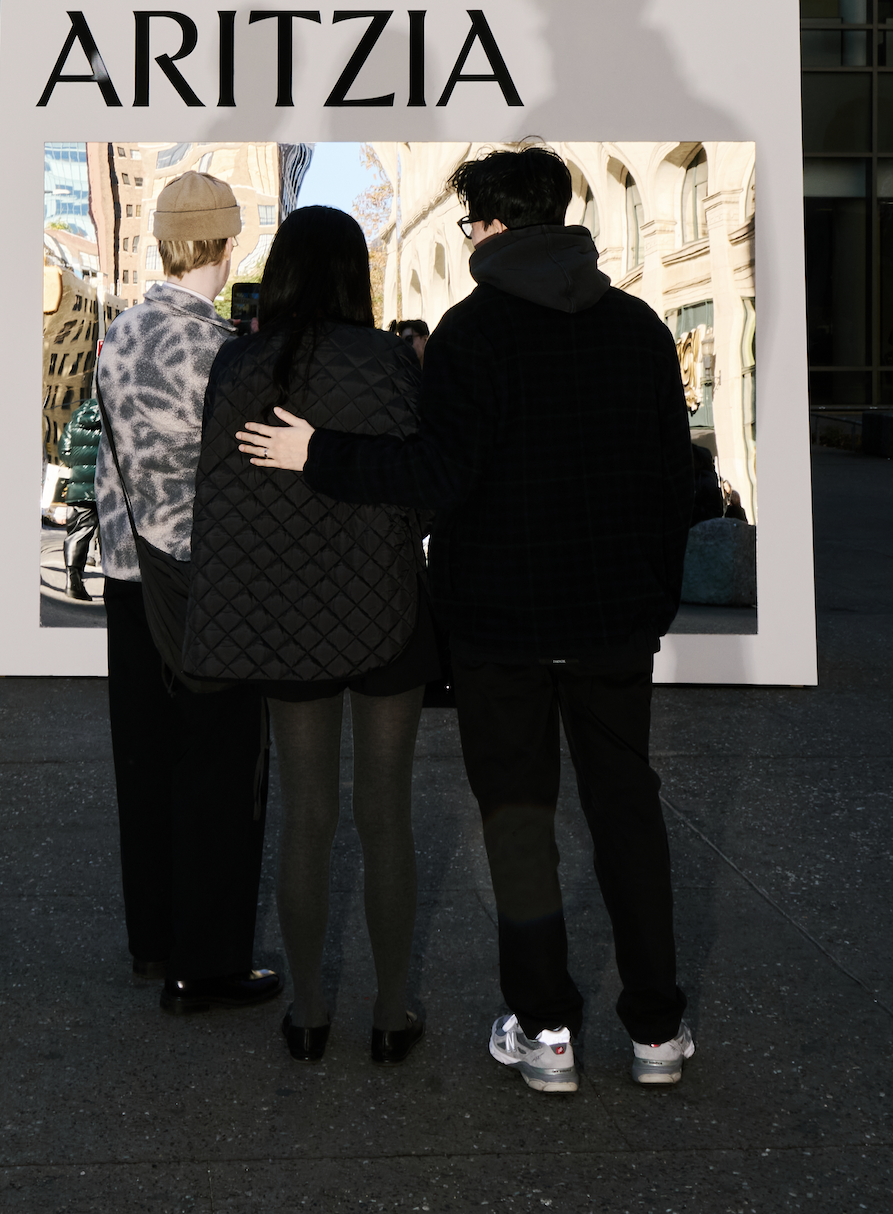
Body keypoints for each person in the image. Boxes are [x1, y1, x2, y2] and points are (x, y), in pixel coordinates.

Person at [237, 146, 698, 1093]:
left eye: (469, 224)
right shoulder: (640, 327)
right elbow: (676, 479)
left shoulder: (472, 332)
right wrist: (657, 593)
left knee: (520, 822)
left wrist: (321, 452)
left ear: (488, 225)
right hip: (614, 618)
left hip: (500, 624)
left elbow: (436, 477)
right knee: (628, 812)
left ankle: (547, 1033)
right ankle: (657, 1031)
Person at [188, 207, 438, 1067]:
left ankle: (306, 1012)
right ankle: (393, 1014)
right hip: (386, 612)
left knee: (307, 817)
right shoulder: (387, 362)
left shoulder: (237, 364)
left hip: (285, 622)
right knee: (386, 815)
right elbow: (418, 484)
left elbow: (222, 500)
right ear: (353, 274)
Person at [94, 171, 281, 1017]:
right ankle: (206, 966)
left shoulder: (120, 334)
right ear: (229, 244)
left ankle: (153, 941)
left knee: (145, 768)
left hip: (130, 580)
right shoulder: (222, 352)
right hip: (212, 592)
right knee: (219, 775)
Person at [61, 393, 101, 599]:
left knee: (78, 533)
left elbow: (65, 452)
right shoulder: (112, 415)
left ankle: (73, 580)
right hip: (107, 485)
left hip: (78, 487)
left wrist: (80, 467)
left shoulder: (76, 417)